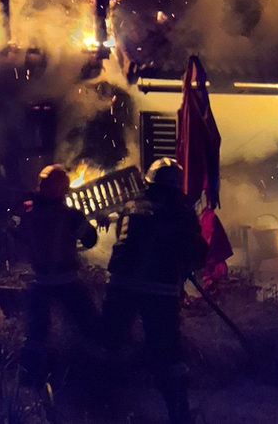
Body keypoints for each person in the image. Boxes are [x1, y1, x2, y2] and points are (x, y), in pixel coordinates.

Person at [102, 157, 209, 424]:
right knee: (168, 355)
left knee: (110, 344)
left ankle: (102, 405)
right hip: (159, 291)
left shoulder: (130, 206)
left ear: (149, 182)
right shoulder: (181, 211)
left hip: (120, 286)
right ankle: (179, 414)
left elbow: (122, 240)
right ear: (175, 185)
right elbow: (196, 253)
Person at [18, 163, 100, 381]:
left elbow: (18, 236)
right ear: (62, 188)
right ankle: (94, 374)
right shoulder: (71, 216)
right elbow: (90, 239)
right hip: (67, 281)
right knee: (90, 326)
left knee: (36, 333)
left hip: (39, 281)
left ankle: (28, 378)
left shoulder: (27, 213)